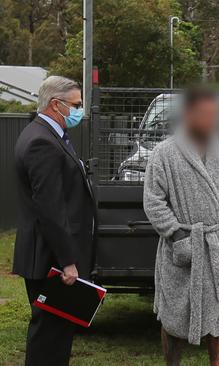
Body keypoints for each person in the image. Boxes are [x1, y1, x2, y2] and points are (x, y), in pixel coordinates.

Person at [143, 86, 219, 366]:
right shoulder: (164, 153)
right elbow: (154, 201)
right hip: (181, 249)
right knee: (174, 315)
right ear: (188, 114)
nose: (212, 120)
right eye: (205, 114)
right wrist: (178, 237)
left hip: (218, 247)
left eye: (215, 114)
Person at [13, 75, 95, 365]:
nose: (79, 110)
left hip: (53, 254)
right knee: (49, 335)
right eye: (76, 104)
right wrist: (68, 261)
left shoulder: (48, 135)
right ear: (55, 104)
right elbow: (50, 208)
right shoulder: (41, 142)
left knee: (57, 333)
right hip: (51, 258)